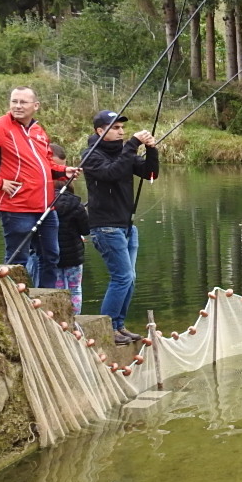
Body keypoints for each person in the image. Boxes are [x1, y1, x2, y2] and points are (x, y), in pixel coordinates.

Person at [0, 87, 73, 289]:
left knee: (51, 256)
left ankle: (45, 297)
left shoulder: (38, 130)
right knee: (18, 260)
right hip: (16, 206)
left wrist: (63, 171)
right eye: (14, 101)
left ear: (35, 106)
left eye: (23, 102)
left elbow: (45, 163)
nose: (18, 106)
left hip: (46, 206)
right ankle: (16, 299)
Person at [82, 110, 159, 345]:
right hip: (106, 227)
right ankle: (108, 329)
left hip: (126, 226)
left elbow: (150, 173)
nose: (121, 132)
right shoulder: (91, 155)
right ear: (100, 130)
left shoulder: (124, 153)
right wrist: (134, 144)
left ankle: (118, 325)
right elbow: (111, 173)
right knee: (122, 277)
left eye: (122, 128)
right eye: (115, 128)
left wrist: (151, 150)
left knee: (130, 278)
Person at [46, 144, 90, 314]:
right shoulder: (76, 204)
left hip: (53, 255)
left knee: (57, 288)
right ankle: (75, 318)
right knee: (75, 288)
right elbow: (85, 229)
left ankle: (60, 318)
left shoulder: (42, 202)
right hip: (74, 256)